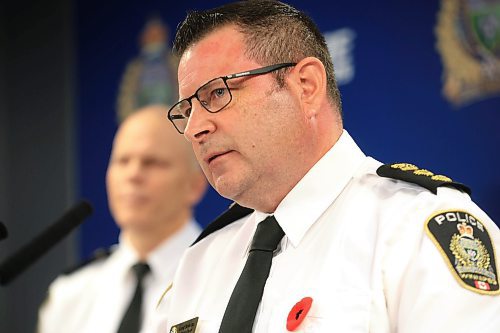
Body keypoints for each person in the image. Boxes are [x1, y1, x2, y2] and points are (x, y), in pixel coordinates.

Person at [156, 1, 500, 332]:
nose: (194, 128)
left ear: (306, 85)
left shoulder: (413, 231)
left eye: (216, 93)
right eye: (186, 110)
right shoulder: (199, 264)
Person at [37, 105, 207, 333]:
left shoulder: (222, 275)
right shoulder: (70, 295)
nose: (133, 174)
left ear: (195, 185)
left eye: (152, 162)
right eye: (122, 161)